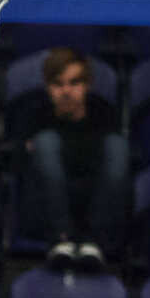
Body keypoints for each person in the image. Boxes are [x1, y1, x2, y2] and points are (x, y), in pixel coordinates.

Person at [20, 48, 127, 272]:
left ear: (87, 85)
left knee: (117, 146)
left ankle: (94, 242)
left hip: (96, 205)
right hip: (45, 210)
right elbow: (20, 170)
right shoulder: (35, 117)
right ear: (48, 88)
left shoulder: (105, 115)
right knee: (45, 142)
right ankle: (62, 239)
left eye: (74, 83)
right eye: (58, 84)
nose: (66, 91)